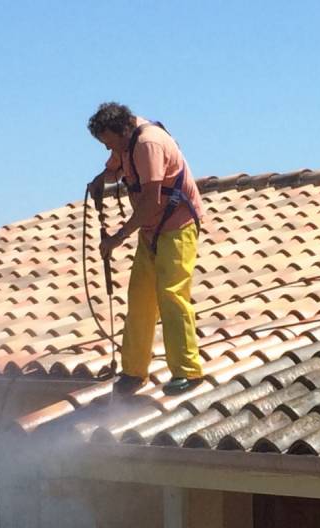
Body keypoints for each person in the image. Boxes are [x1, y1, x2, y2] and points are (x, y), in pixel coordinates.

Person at [87, 102, 204, 396]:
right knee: (140, 298)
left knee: (171, 295)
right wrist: (101, 180)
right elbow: (115, 167)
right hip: (152, 231)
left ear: (123, 131)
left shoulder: (148, 143)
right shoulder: (126, 140)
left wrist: (118, 237)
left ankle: (188, 371)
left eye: (109, 142)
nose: (108, 148)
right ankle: (133, 372)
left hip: (177, 226)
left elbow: (152, 200)